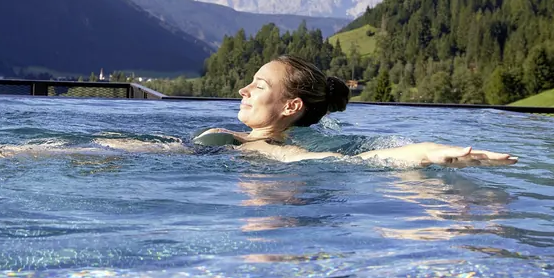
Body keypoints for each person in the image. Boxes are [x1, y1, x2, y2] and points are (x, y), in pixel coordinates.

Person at [193, 55, 518, 167]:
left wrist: (426, 153)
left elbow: (346, 161)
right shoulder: (282, 146)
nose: (243, 90)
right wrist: (427, 151)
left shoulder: (228, 141)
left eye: (259, 85)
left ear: (291, 106)